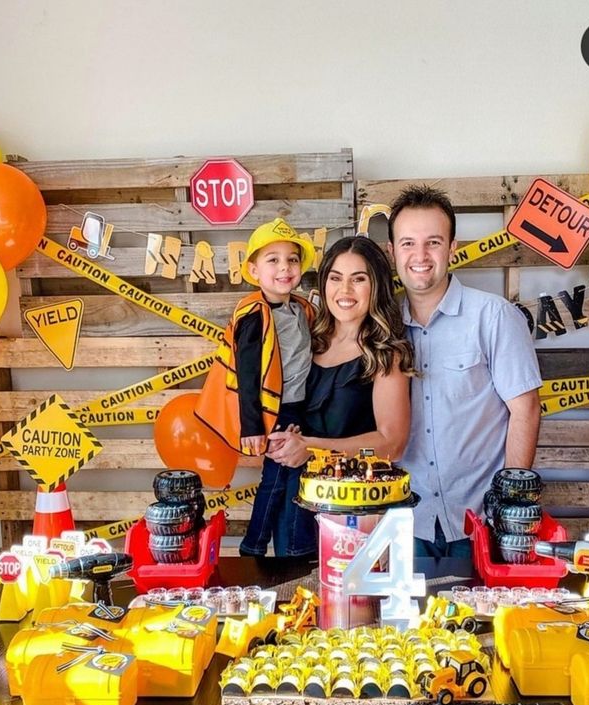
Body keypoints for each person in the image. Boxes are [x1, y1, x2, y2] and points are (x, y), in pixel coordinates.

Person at [387, 185, 542, 559]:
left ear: (453, 248)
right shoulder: (382, 326)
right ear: (391, 252)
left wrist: (508, 513)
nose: (420, 256)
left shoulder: (494, 317)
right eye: (407, 243)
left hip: (478, 523)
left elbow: (527, 409)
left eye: (433, 243)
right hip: (404, 523)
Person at [194, 217, 318, 558]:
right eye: (273, 259)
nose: (285, 267)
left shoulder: (302, 309)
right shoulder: (253, 314)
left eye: (292, 259)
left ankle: (292, 548)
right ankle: (253, 549)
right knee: (276, 481)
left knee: (294, 479)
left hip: (297, 408)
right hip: (270, 412)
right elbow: (247, 373)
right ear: (254, 270)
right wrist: (252, 426)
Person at [266, 235, 416, 469]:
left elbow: (392, 446)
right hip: (287, 486)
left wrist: (313, 448)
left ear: (376, 286)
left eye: (358, 279)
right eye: (335, 278)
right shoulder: (307, 341)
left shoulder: (386, 355)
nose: (345, 290)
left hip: (347, 497)